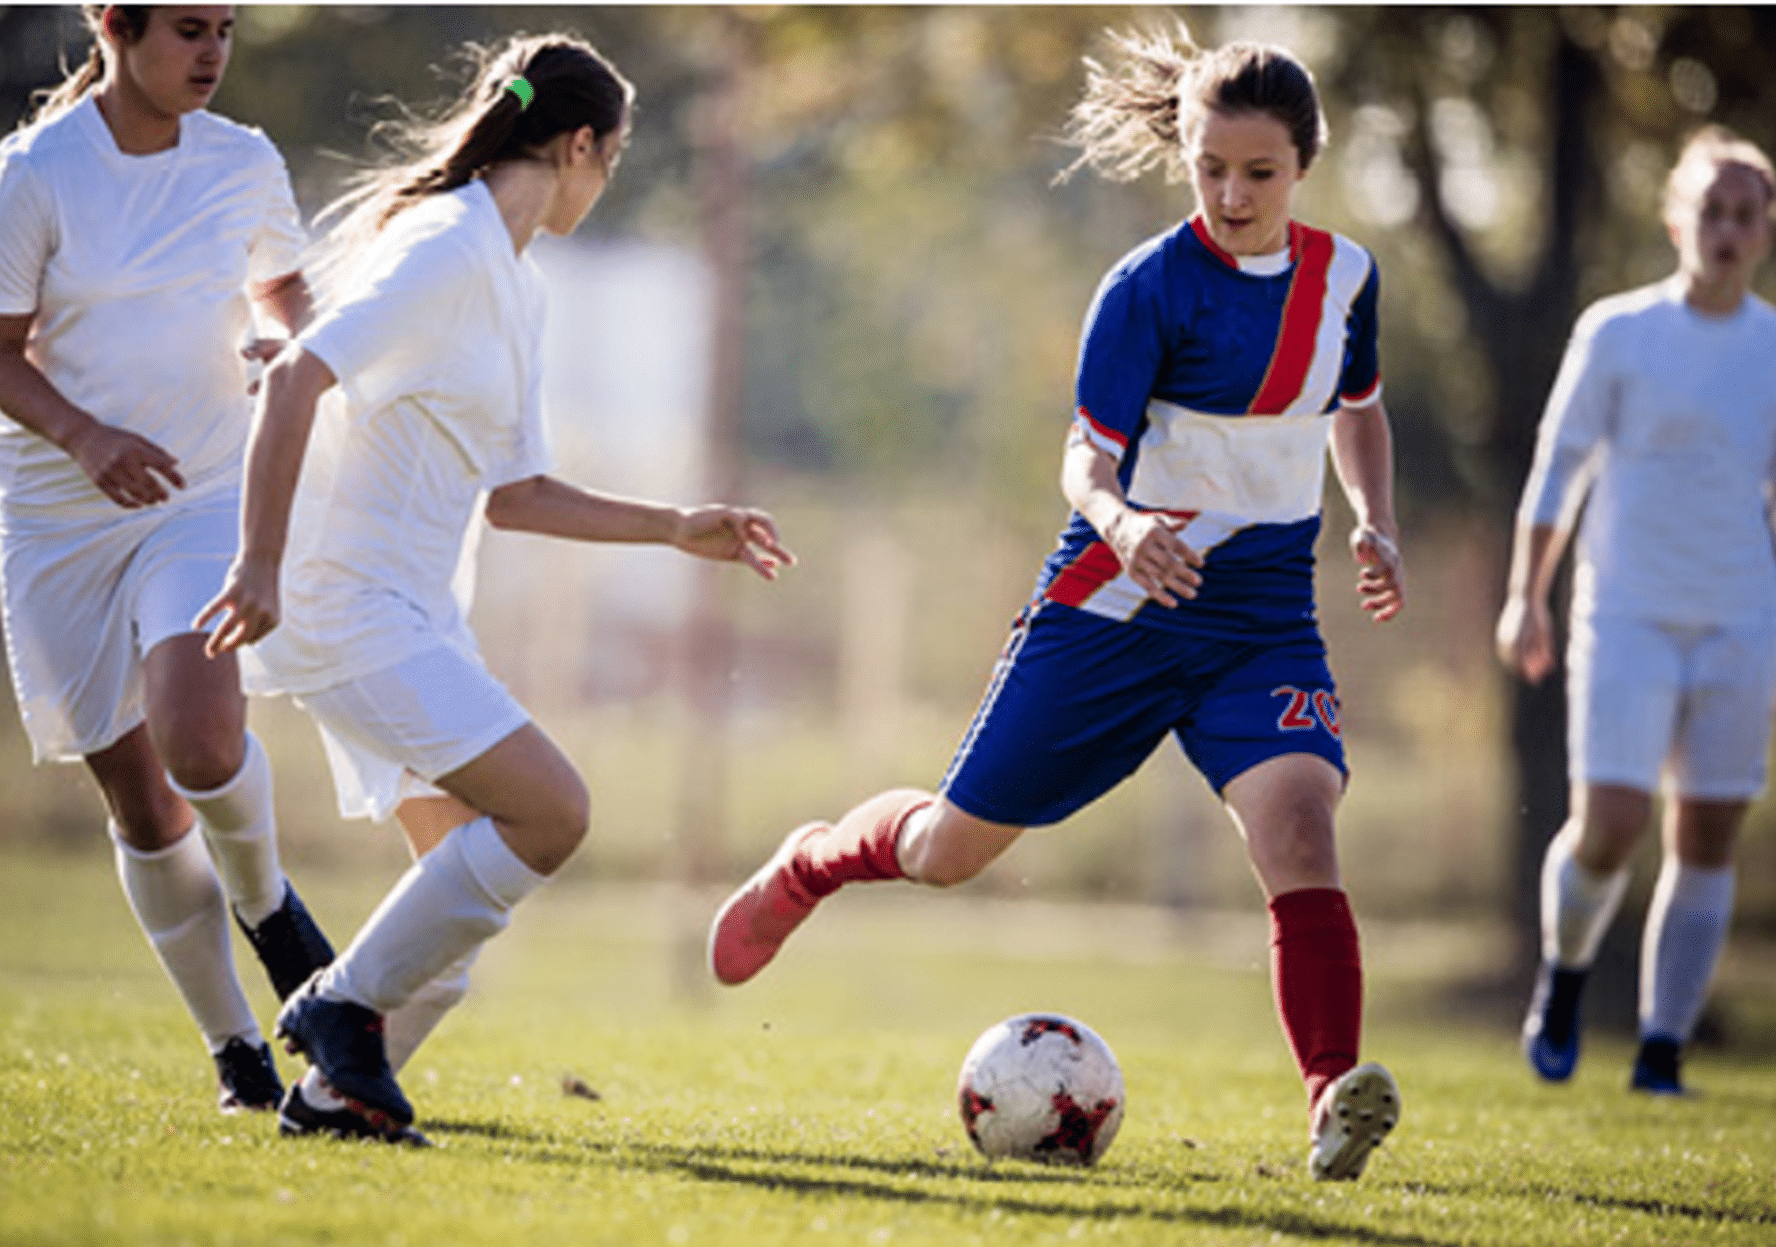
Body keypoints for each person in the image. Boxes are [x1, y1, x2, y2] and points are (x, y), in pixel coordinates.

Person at [709, 26, 1406, 1182]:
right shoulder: (1145, 287)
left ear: (1305, 166)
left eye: (1259, 173)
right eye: (1210, 169)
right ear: (1184, 157)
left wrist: (1374, 516)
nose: (1232, 195)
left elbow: (1360, 408)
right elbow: (1086, 458)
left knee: (1299, 825)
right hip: (1112, 612)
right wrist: (1128, 523)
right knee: (947, 851)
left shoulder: (1348, 280)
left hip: (1260, 622)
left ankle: (1335, 1092)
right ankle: (815, 862)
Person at [199, 31, 794, 1145]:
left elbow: (513, 494)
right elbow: (293, 381)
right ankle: (336, 1005)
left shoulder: (515, 286)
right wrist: (259, 566)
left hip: (418, 617)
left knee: (451, 935)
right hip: (343, 606)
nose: (606, 180)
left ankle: (333, 1102)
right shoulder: (440, 247)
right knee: (553, 809)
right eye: (610, 159)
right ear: (577, 145)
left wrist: (675, 527)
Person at [0, 4, 334, 1114]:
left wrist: (284, 344)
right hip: (62, 515)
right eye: (189, 29)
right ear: (112, 27)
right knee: (143, 809)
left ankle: (274, 909)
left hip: (198, 488)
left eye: (226, 31)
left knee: (200, 734)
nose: (212, 54)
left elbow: (285, 291)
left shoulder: (244, 160)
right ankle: (236, 1048)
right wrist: (85, 437)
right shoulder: (36, 172)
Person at [1498, 126, 1776, 1097]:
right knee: (1610, 824)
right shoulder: (1618, 332)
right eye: (1713, 210)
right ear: (1676, 220)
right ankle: (1566, 973)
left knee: (1706, 836)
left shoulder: (1773, 348)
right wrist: (1525, 595)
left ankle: (1662, 1049)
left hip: (1740, 622)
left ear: (1767, 230)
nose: (1728, 230)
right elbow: (1558, 468)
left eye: (1747, 214)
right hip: (1625, 616)